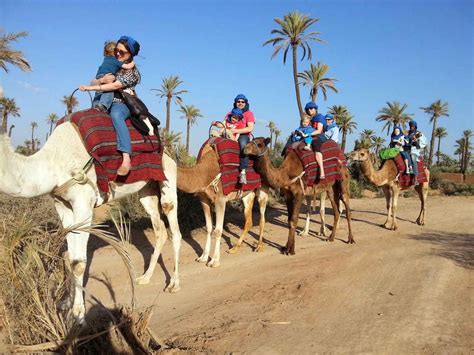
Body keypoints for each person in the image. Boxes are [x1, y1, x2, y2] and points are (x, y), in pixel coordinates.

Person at [80, 35, 141, 176]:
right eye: (116, 51)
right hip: (103, 100)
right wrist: (101, 80)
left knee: (116, 115)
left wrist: (91, 88)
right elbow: (94, 81)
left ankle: (126, 159)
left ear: (130, 54)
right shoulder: (112, 63)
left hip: (122, 103)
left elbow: (114, 86)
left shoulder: (133, 73)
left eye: (122, 52)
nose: (118, 54)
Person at [91, 42, 135, 112]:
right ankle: (103, 105)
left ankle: (95, 107)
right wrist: (102, 80)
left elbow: (117, 85)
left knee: (99, 92)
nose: (119, 54)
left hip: (100, 75)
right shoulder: (115, 61)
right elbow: (92, 83)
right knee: (109, 90)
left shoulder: (106, 59)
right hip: (105, 77)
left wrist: (100, 80)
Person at [225, 94, 255, 184]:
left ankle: (243, 172)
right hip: (229, 133)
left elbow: (250, 128)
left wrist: (236, 130)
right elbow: (224, 122)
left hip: (243, 135)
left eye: (243, 102)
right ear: (235, 103)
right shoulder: (230, 113)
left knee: (243, 145)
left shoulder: (249, 114)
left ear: (246, 103)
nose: (240, 103)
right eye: (238, 101)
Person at [311, 113, 339, 179]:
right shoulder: (326, 128)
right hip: (324, 140)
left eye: (329, 120)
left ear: (332, 120)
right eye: (326, 120)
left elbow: (333, 139)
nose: (327, 121)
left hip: (330, 143)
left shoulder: (335, 128)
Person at [407, 120, 427, 185]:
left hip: (415, 150)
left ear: (415, 127)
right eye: (410, 126)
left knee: (413, 158)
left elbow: (424, 143)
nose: (411, 127)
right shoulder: (407, 133)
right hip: (407, 148)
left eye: (412, 126)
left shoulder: (419, 134)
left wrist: (416, 142)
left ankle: (415, 178)